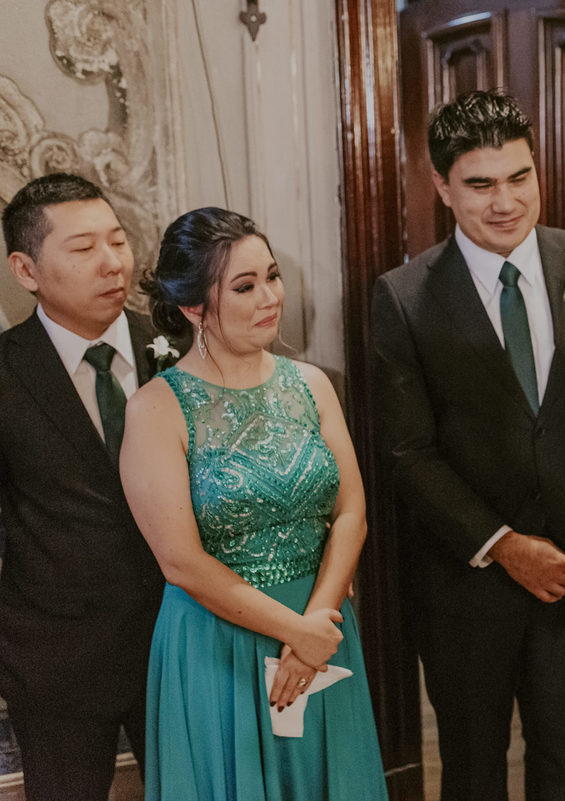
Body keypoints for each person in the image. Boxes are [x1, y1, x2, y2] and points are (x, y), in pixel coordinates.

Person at [371, 89, 565, 801]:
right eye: (480, 184)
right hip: (466, 575)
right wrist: (501, 544)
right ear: (442, 187)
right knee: (473, 766)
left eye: (519, 177)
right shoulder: (404, 295)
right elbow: (407, 452)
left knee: (562, 755)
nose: (505, 202)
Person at [120, 207, 387, 801]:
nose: (270, 297)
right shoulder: (157, 408)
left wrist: (317, 625)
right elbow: (180, 561)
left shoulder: (311, 384)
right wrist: (296, 632)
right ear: (193, 307)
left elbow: (351, 512)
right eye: (244, 286)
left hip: (322, 625)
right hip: (219, 641)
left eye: (272, 276)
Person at [0, 173, 167, 801]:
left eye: (117, 241)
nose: (112, 262)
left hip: (181, 645)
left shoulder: (181, 345)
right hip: (56, 664)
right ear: (26, 269)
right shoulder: (6, 371)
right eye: (82, 248)